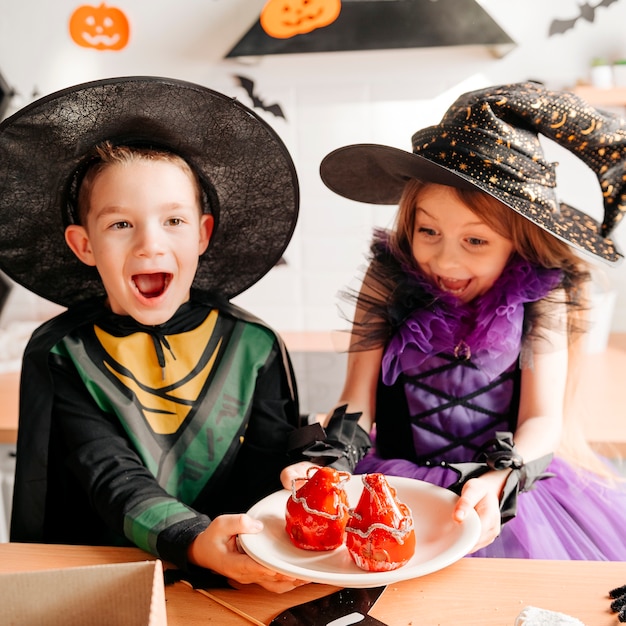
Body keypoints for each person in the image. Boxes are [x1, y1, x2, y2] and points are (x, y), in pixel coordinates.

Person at [0, 76, 312, 592]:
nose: (149, 244)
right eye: (121, 224)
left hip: (241, 583)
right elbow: (109, 475)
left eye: (172, 220)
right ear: (83, 244)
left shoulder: (252, 345)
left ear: (202, 233)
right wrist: (193, 537)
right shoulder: (66, 353)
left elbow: (270, 467)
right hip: (112, 583)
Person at [289, 81, 626, 559]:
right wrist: (332, 461)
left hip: (503, 494)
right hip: (394, 487)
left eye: (476, 241)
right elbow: (355, 401)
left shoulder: (542, 294)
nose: (445, 261)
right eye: (429, 231)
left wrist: (500, 477)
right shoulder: (386, 280)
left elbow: (542, 419)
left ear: (518, 240)